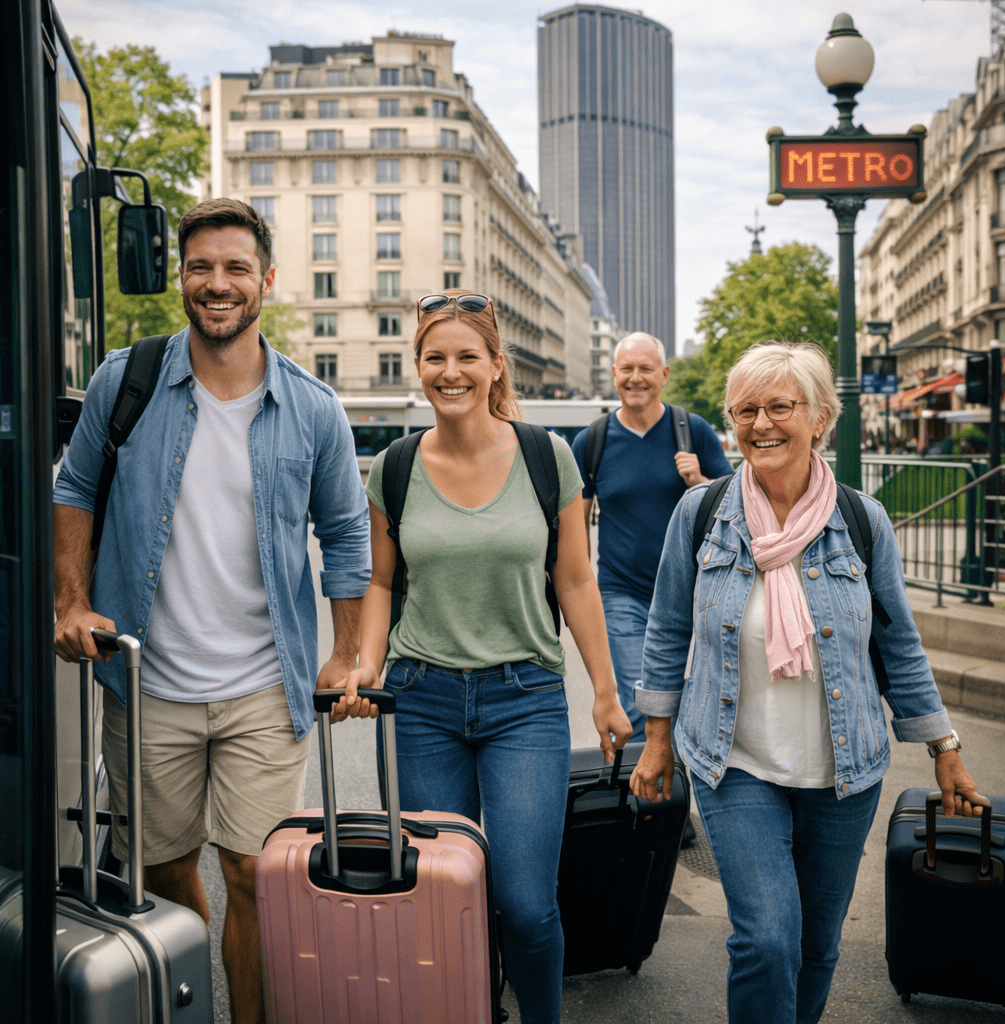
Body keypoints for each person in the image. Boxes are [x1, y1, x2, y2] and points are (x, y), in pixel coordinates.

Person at [53, 199, 371, 1024]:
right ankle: (188, 1005)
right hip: (146, 682)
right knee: (162, 871)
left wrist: (345, 653)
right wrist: (73, 601)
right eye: (201, 267)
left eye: (236, 268)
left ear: (267, 281)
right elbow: (74, 487)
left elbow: (346, 533)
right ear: (181, 280)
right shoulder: (125, 381)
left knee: (256, 876)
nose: (217, 283)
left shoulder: (312, 407)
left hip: (265, 686)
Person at [629, 341, 983, 1024]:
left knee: (817, 945)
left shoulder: (862, 521)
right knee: (767, 939)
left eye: (779, 407)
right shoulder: (702, 514)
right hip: (733, 763)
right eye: (746, 410)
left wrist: (945, 748)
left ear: (819, 418)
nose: (760, 424)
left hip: (843, 774)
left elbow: (898, 646)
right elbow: (667, 629)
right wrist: (657, 738)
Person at [335, 290, 632, 1024]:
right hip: (421, 701)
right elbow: (381, 582)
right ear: (418, 368)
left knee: (526, 904)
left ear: (496, 365)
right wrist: (366, 664)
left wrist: (605, 691)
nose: (451, 371)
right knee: (442, 895)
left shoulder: (546, 456)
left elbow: (575, 580)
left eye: (467, 356)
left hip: (524, 698)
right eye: (435, 358)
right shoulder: (394, 467)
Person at [570, 332, 733, 730]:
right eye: (627, 369)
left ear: (664, 374)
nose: (636, 378)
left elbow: (736, 506)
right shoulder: (591, 442)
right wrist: (580, 592)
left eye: (646, 368)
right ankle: (653, 771)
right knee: (643, 702)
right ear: (614, 374)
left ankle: (675, 764)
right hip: (621, 594)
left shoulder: (693, 431)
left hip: (694, 591)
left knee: (701, 697)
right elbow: (576, 526)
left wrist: (700, 481)